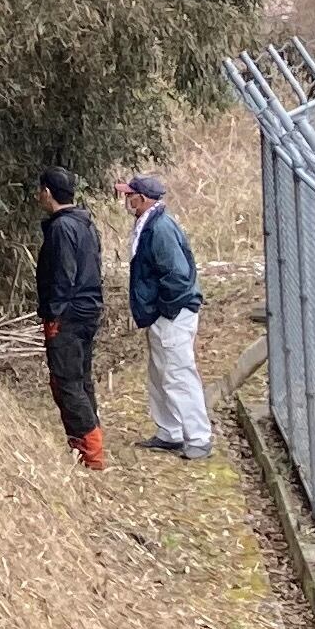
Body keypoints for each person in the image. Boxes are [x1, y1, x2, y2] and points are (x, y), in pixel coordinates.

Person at [125, 169, 212, 458]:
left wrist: (165, 310)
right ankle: (170, 430)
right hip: (164, 314)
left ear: (142, 198)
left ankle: (198, 437)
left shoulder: (160, 229)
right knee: (160, 374)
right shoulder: (150, 225)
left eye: (130, 195)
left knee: (178, 374)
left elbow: (177, 275)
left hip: (172, 314)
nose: (127, 200)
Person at [34, 166, 107, 470]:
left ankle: (90, 453)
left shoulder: (63, 228)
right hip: (88, 311)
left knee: (66, 382)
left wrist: (53, 313)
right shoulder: (85, 223)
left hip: (69, 315)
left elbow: (64, 275)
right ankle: (88, 444)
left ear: (47, 193)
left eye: (39, 190)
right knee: (80, 379)